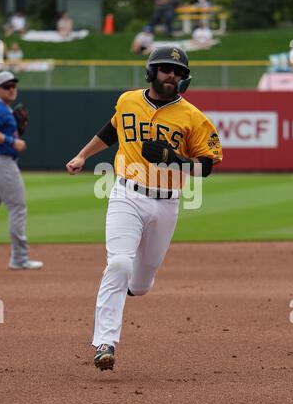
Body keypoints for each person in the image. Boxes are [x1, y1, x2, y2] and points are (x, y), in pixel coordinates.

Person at [66, 46, 223, 371]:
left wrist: (174, 159)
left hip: (166, 203)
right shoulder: (127, 101)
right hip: (127, 194)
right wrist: (83, 155)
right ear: (152, 71)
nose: (172, 75)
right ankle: (105, 343)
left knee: (140, 284)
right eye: (166, 69)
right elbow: (111, 131)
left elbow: (206, 167)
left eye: (179, 71)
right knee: (120, 264)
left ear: (185, 78)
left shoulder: (193, 117)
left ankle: (133, 288)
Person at [0, 71, 43, 270]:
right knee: (17, 208)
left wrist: (15, 131)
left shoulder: (4, 109)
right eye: (7, 86)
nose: (12, 89)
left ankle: (19, 257)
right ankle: (19, 258)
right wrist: (12, 141)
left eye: (14, 85)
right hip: (3, 163)